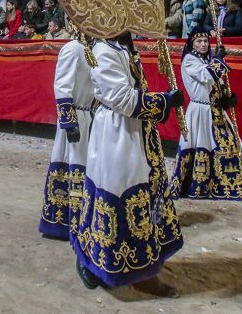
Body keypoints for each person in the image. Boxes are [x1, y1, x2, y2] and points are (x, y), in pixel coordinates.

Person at [73, 33, 183, 289]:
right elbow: (121, 99)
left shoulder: (120, 47)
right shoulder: (105, 50)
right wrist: (163, 101)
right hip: (118, 133)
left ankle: (141, 265)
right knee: (119, 194)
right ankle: (103, 262)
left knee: (144, 195)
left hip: (135, 130)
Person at [170, 29, 242, 200]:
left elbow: (217, 82)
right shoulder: (189, 60)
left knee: (231, 145)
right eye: (199, 41)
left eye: (205, 41)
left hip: (216, 111)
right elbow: (206, 76)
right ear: (191, 44)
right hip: (201, 111)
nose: (203, 44)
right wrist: (218, 59)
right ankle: (198, 185)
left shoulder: (208, 59)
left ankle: (228, 184)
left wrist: (226, 98)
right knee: (202, 145)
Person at [39, 35, 94, 240]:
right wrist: (69, 120)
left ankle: (81, 218)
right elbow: (62, 84)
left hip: (88, 116)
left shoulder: (92, 50)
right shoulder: (73, 49)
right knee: (72, 162)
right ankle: (62, 221)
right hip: (75, 117)